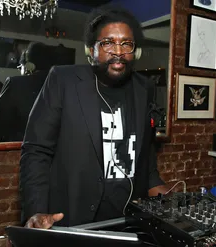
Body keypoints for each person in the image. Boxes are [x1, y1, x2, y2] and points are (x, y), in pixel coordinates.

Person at [20, 5, 168, 229]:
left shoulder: (144, 88)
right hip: (74, 220)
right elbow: (36, 150)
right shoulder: (63, 81)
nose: (118, 51)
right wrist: (36, 210)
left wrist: (163, 192)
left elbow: (145, 153)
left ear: (135, 51)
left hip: (128, 220)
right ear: (92, 50)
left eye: (126, 43)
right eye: (108, 43)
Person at [0, 42, 52, 142]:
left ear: (29, 66)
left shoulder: (15, 84)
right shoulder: (61, 85)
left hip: (20, 151)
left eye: (20, 67)